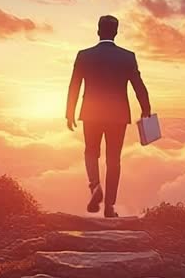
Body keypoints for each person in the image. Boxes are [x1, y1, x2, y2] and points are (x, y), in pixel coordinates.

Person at [65, 14, 152, 217]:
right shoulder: (127, 57)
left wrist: (70, 112)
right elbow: (138, 85)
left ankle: (95, 186)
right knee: (114, 159)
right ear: (116, 32)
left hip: (91, 113)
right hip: (118, 116)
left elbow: (74, 86)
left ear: (98, 31)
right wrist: (146, 108)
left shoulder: (84, 55)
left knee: (90, 152)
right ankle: (110, 207)